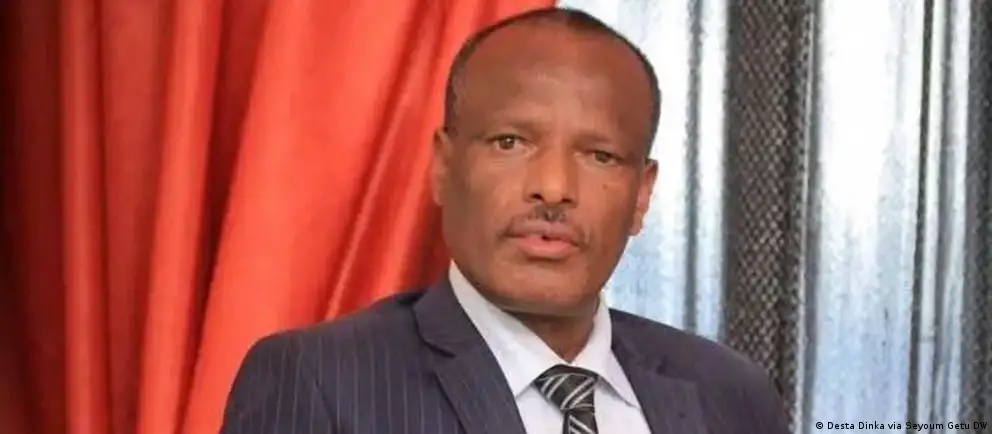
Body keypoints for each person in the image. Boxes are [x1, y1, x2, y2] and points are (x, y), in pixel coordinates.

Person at [220, 7, 790, 434]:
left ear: (641, 196)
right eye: (510, 142)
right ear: (444, 168)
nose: (555, 188)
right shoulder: (321, 382)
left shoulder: (731, 395)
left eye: (600, 156)